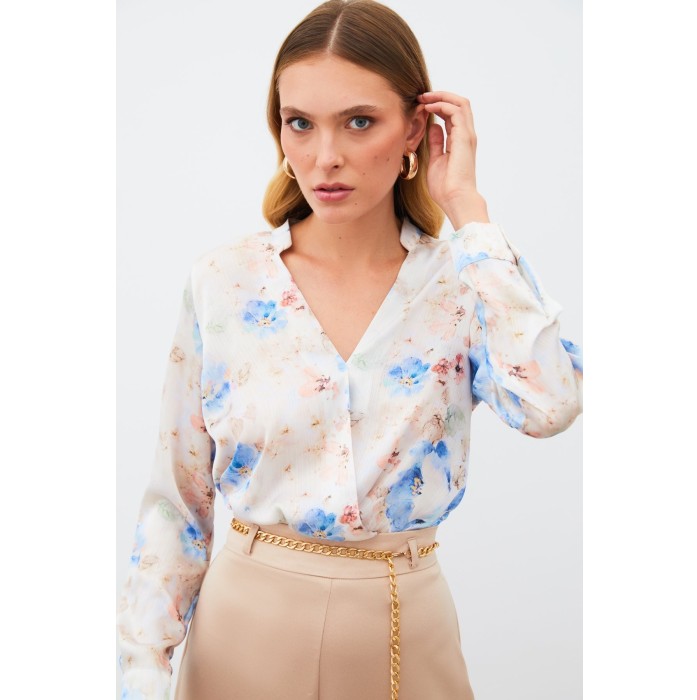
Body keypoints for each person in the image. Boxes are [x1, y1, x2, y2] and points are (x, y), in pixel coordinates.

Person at [117, 0, 583, 698]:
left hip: (403, 634)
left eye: (359, 121)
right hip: (243, 634)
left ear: (416, 129)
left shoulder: (466, 282)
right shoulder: (224, 282)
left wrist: (468, 210)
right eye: (299, 123)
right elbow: (177, 504)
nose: (324, 156)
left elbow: (549, 406)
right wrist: (142, 672)